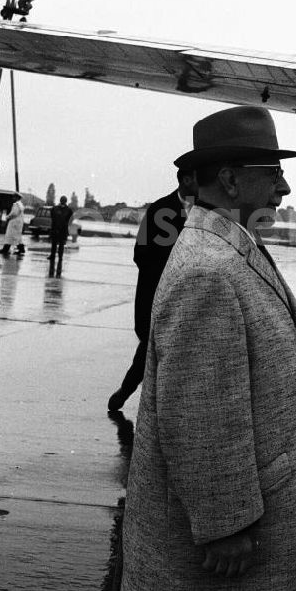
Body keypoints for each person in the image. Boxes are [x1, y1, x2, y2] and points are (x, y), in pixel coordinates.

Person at [114, 106, 296, 591]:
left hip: (221, 526)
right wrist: (225, 524)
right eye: (271, 173)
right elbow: (201, 415)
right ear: (230, 180)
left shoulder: (226, 247)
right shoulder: (208, 267)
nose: (283, 189)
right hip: (215, 540)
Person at [106, 168, 198, 415]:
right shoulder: (160, 209)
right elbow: (140, 253)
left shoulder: (206, 211)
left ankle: (145, 400)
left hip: (189, 294)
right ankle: (126, 392)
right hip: (158, 293)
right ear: (186, 179)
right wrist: (169, 273)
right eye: (199, 178)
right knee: (149, 347)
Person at [48, 195, 73, 276]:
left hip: (63, 230)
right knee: (54, 244)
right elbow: (52, 217)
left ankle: (60, 258)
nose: (63, 201)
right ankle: (52, 256)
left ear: (65, 201)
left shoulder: (68, 210)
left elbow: (70, 219)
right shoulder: (55, 208)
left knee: (61, 244)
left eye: (64, 200)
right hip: (55, 228)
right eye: (62, 200)